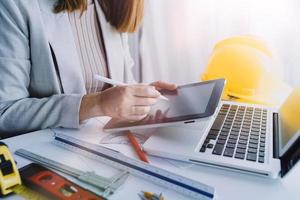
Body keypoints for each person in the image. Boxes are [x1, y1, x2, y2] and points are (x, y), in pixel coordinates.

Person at [0, 0, 176, 137]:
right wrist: (96, 104)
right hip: (49, 154)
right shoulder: (14, 6)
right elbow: (5, 112)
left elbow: (119, 84)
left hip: (101, 144)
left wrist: (140, 97)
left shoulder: (108, 5)